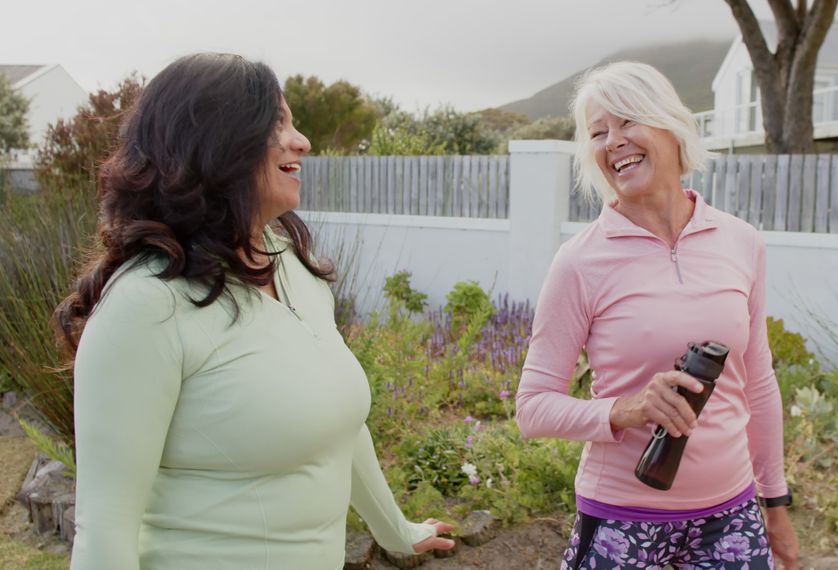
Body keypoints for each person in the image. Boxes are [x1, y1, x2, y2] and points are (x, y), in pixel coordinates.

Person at [55, 53, 454, 569]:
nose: (302, 141)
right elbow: (103, 532)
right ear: (216, 145)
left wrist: (396, 530)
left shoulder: (291, 266)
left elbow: (339, 422)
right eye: (277, 124)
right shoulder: (145, 305)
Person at [514, 61, 799, 570]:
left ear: (670, 125)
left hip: (730, 517)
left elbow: (757, 381)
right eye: (598, 132)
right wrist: (623, 410)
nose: (613, 141)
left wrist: (774, 502)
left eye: (627, 121)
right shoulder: (580, 261)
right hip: (621, 518)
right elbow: (532, 408)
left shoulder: (742, 242)